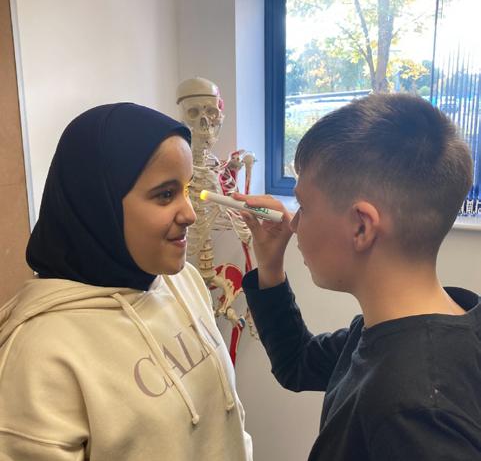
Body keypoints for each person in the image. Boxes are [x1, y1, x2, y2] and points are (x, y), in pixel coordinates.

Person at [0, 103, 252, 461]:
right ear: (97, 204)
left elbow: (228, 424)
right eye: (165, 194)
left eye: (186, 189)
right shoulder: (38, 355)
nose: (190, 213)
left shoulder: (183, 281)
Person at [237, 93, 481, 460]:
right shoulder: (416, 327)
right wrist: (270, 266)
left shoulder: (415, 413)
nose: (295, 225)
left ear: (361, 227)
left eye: (304, 207)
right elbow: (297, 364)